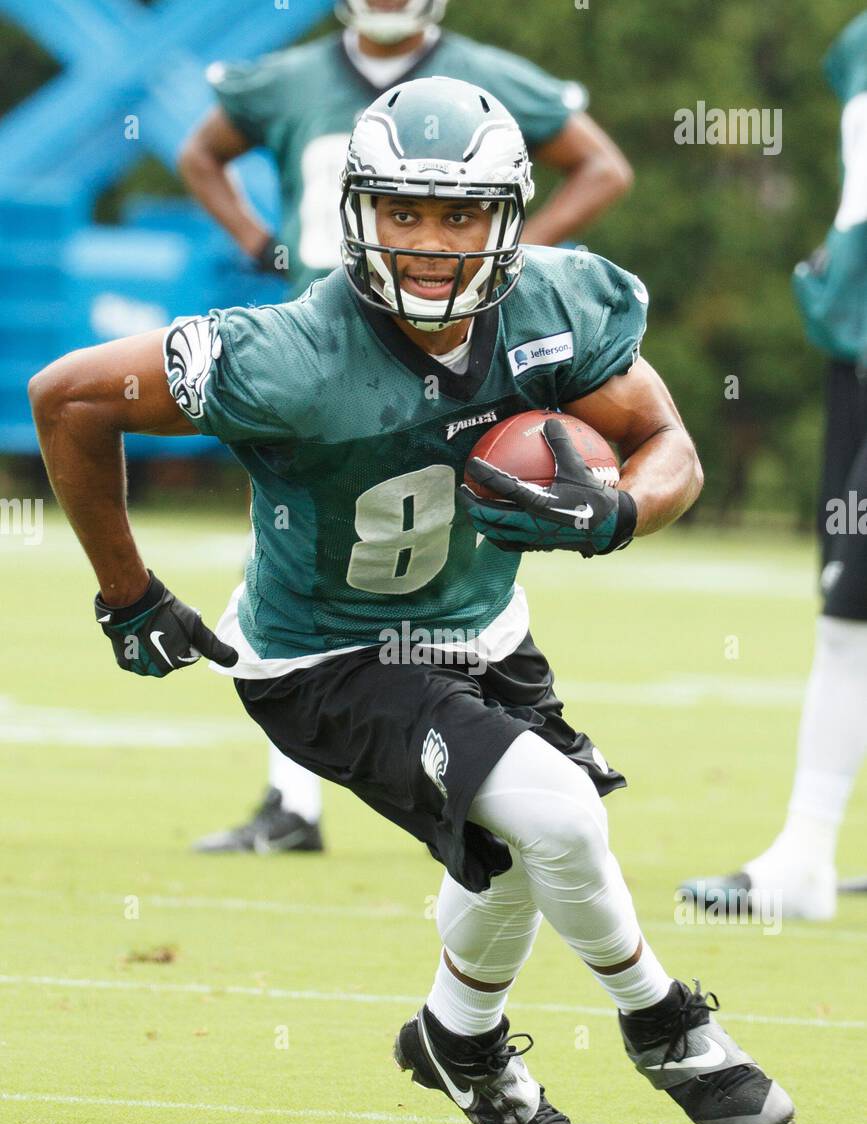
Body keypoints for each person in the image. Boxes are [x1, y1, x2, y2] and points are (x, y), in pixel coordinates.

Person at [29, 77, 793, 1124]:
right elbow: (66, 397)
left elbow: (672, 444)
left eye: (461, 214)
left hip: (486, 627)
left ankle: (459, 1040)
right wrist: (129, 593)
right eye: (405, 211)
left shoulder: (557, 306)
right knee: (560, 811)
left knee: (517, 843)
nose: (432, 241)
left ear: (506, 218)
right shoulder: (291, 354)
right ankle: (664, 1025)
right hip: (328, 656)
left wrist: (619, 511)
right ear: (360, 212)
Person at [179, 0, 633, 855]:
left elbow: (601, 167)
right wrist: (253, 238)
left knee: (438, 553)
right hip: (324, 354)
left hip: (456, 340)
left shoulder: (491, 78)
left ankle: (491, 748)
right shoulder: (285, 77)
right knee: (311, 562)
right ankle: (303, 800)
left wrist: (513, 259)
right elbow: (200, 154)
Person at [679, 10, 867, 922]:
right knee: (848, 608)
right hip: (859, 349)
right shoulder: (855, 43)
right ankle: (804, 856)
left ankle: (804, 856)